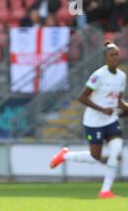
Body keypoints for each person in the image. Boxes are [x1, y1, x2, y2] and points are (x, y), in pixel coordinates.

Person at [50, 42, 128, 199]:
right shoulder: (98, 75)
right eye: (111, 55)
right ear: (105, 58)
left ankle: (105, 191)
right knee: (95, 156)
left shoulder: (122, 77)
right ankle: (65, 156)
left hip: (111, 120)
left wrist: (125, 107)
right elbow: (82, 97)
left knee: (116, 151)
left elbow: (118, 100)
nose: (115, 58)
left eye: (117, 54)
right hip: (94, 121)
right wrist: (102, 109)